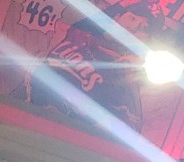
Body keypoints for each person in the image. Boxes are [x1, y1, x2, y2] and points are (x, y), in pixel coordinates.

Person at [29, 1, 156, 129]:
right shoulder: (81, 30)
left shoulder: (127, 75)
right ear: (117, 16)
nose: (133, 27)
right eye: (132, 18)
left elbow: (125, 123)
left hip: (60, 129)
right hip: (31, 104)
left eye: (143, 28)